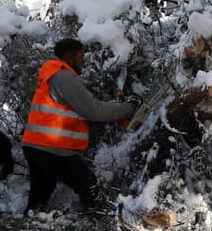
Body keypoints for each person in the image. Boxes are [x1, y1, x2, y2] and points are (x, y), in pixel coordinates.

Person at [22, 38, 136, 214]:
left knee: (39, 198)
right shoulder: (63, 76)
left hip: (36, 146)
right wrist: (127, 109)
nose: (84, 60)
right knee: (89, 187)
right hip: (53, 149)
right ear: (69, 56)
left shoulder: (51, 73)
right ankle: (96, 228)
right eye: (81, 56)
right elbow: (93, 111)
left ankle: (29, 229)